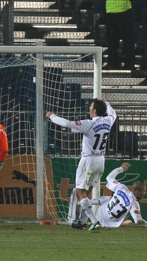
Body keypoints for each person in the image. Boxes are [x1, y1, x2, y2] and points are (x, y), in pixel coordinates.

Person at [45, 99, 116, 231]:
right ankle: (83, 221)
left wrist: (52, 116)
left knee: (79, 191)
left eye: (91, 107)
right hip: (100, 160)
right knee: (88, 191)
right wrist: (107, 103)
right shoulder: (108, 121)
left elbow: (66, 123)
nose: (89, 108)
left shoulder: (88, 124)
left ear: (94, 111)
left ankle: (94, 220)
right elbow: (114, 114)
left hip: (88, 160)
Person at [70, 163, 147, 229]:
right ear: (138, 192)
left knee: (110, 198)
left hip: (100, 212)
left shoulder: (121, 188)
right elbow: (138, 221)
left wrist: (121, 169)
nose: (145, 193)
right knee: (129, 222)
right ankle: (87, 207)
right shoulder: (134, 204)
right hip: (108, 223)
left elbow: (109, 177)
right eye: (144, 191)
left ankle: (85, 203)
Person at [104, 0, 135, 70]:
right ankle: (128, 63)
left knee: (113, 40)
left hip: (112, 10)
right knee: (127, 40)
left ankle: (112, 63)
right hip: (123, 10)